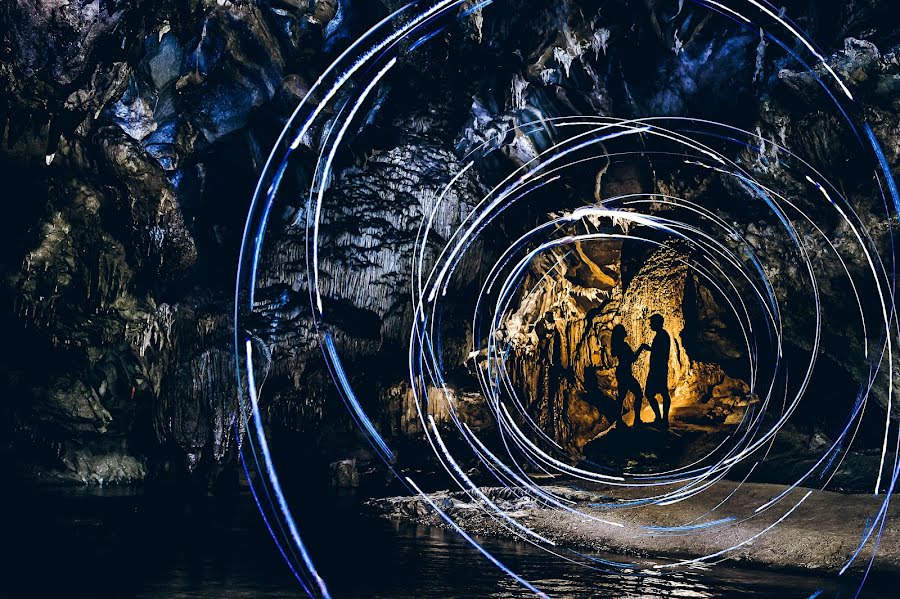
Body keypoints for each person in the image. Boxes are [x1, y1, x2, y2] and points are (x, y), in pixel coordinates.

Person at [639, 313, 671, 428]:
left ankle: (661, 419)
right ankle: (662, 419)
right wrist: (651, 349)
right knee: (662, 393)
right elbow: (659, 351)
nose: (650, 325)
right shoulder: (661, 335)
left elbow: (660, 354)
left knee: (651, 393)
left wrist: (652, 352)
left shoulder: (662, 335)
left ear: (658, 323)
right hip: (659, 368)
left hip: (658, 369)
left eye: (652, 323)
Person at [610, 324, 646, 427]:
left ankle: (619, 420)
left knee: (621, 397)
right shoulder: (624, 345)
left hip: (621, 372)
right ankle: (637, 419)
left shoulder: (616, 346)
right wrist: (641, 347)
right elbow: (633, 358)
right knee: (638, 394)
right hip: (626, 373)